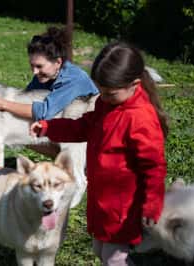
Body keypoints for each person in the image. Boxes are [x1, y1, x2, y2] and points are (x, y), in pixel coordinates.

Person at [30, 42, 168, 266]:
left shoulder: (140, 119)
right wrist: (50, 128)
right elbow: (85, 126)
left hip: (124, 206)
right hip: (103, 200)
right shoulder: (108, 104)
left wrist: (152, 205)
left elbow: (154, 167)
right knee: (101, 249)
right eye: (100, 91)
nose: (102, 97)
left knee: (113, 258)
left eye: (109, 93)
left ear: (134, 84)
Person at [0, 26, 99, 121]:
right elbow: (24, 100)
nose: (34, 72)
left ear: (58, 62)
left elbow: (44, 112)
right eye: (32, 65)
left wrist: (3, 104)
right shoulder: (46, 75)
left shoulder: (74, 80)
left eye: (39, 66)